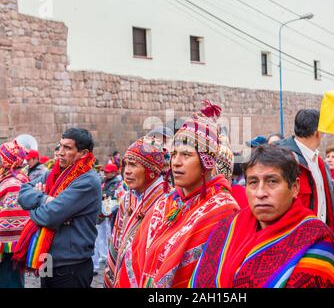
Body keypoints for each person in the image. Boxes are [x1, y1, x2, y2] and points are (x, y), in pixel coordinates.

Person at [190, 145, 334, 288]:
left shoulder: (318, 241)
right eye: (253, 182)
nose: (261, 193)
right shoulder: (226, 229)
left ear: (295, 187)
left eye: (272, 181)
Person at [130, 101, 240, 288]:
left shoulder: (223, 209)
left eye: (186, 155)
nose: (176, 162)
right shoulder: (164, 203)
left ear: (207, 162)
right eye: (174, 154)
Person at [13, 128, 102, 288]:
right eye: (59, 146)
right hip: (48, 259)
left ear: (83, 153)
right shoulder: (54, 173)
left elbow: (48, 217)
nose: (60, 152)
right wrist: (45, 199)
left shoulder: (87, 181)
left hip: (70, 266)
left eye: (67, 148)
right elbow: (23, 192)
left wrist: (33, 208)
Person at [104, 137, 168, 288]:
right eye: (125, 164)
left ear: (151, 170)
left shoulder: (166, 203)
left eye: (133, 165)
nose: (126, 171)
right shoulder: (128, 199)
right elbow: (117, 241)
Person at [277, 109, 334, 243]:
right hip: (294, 239)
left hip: (320, 238)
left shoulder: (319, 162)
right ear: (317, 132)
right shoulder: (285, 159)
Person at [0, 141, 29, 288]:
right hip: (7, 249)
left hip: (8, 250)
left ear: (6, 161)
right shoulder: (7, 180)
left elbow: (11, 219)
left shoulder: (13, 184)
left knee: (9, 282)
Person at [93, 163, 121, 275]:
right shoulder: (105, 180)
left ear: (114, 173)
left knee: (103, 235)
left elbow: (108, 195)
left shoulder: (115, 183)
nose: (105, 173)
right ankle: (103, 254)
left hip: (106, 212)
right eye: (105, 171)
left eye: (108, 172)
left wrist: (99, 194)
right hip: (101, 211)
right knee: (101, 236)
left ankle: (104, 255)